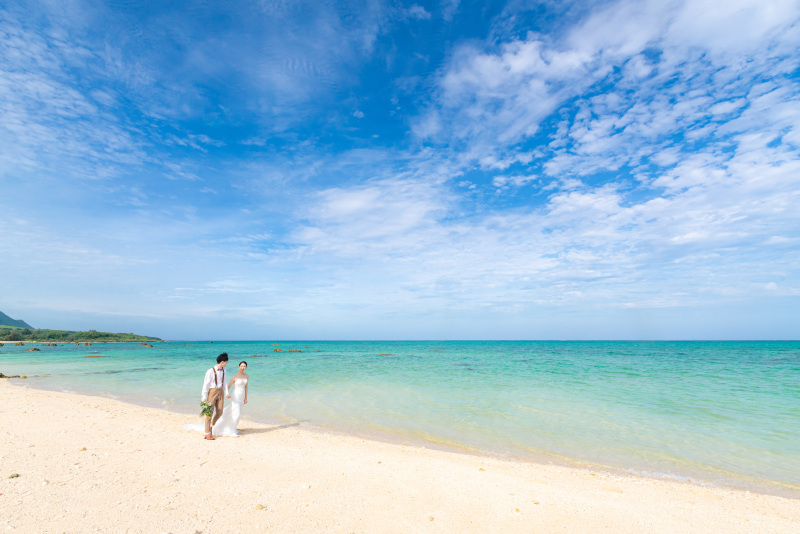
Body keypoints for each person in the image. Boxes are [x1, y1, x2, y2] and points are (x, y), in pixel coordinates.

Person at [210, 361, 249, 437]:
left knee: (232, 411)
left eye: (244, 366)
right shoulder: (235, 377)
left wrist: (245, 398)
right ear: (238, 367)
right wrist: (226, 393)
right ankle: (231, 431)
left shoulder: (246, 376)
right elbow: (228, 386)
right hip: (235, 396)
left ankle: (228, 426)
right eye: (241, 366)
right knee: (237, 413)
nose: (242, 367)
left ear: (246, 367)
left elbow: (246, 388)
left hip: (241, 397)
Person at [200, 353, 231, 440]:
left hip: (220, 391)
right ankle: (207, 433)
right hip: (212, 392)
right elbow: (205, 384)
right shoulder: (210, 371)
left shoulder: (224, 370)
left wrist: (226, 392)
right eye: (226, 362)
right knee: (209, 412)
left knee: (220, 412)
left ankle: (211, 425)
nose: (226, 364)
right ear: (222, 362)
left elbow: (224, 381)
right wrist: (203, 396)